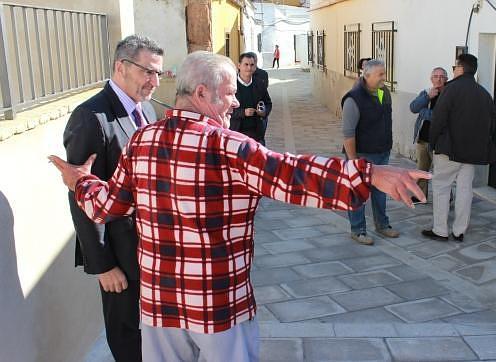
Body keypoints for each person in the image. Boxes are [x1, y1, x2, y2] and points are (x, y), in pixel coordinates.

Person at [49, 51, 429, 362]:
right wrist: (367, 174)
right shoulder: (228, 145)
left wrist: (79, 180)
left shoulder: (141, 141)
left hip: (159, 307)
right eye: (229, 93)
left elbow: (108, 205)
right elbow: (292, 174)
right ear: (202, 93)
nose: (235, 101)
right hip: (219, 308)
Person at [62, 35, 164, 361]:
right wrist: (103, 265)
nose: (154, 81)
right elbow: (79, 193)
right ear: (121, 66)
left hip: (150, 251)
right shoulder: (91, 117)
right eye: (148, 72)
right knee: (128, 341)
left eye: (159, 73)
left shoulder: (145, 109)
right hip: (119, 258)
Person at [423, 53, 496, 243]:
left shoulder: (450, 89)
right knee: (465, 191)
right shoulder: (484, 94)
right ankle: (459, 231)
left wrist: (432, 143)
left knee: (441, 188)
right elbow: (491, 125)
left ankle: (440, 230)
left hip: (448, 151)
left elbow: (438, 119)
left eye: (455, 67)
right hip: (472, 154)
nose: (453, 70)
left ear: (461, 68)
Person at [341, 59, 400, 245]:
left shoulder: (383, 92)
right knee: (358, 193)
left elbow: (381, 113)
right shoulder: (353, 98)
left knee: (381, 191)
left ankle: (382, 225)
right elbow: (348, 134)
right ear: (367, 76)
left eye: (384, 73)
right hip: (362, 155)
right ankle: (358, 230)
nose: (384, 77)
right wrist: (353, 161)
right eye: (380, 74)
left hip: (382, 151)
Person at [409, 67, 448, 202]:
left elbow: (441, 118)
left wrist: (423, 112)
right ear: (431, 79)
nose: (439, 79)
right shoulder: (426, 92)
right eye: (436, 76)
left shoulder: (449, 95)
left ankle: (446, 198)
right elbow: (413, 108)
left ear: (446, 79)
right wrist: (427, 97)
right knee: (421, 170)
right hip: (423, 139)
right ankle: (420, 196)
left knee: (441, 172)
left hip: (439, 141)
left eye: (442, 76)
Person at [230, 52, 272, 144]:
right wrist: (243, 112)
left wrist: (264, 112)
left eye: (252, 65)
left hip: (257, 134)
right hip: (236, 133)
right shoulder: (230, 85)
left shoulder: (260, 84)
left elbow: (268, 103)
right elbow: (224, 109)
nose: (249, 68)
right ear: (239, 65)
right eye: (246, 64)